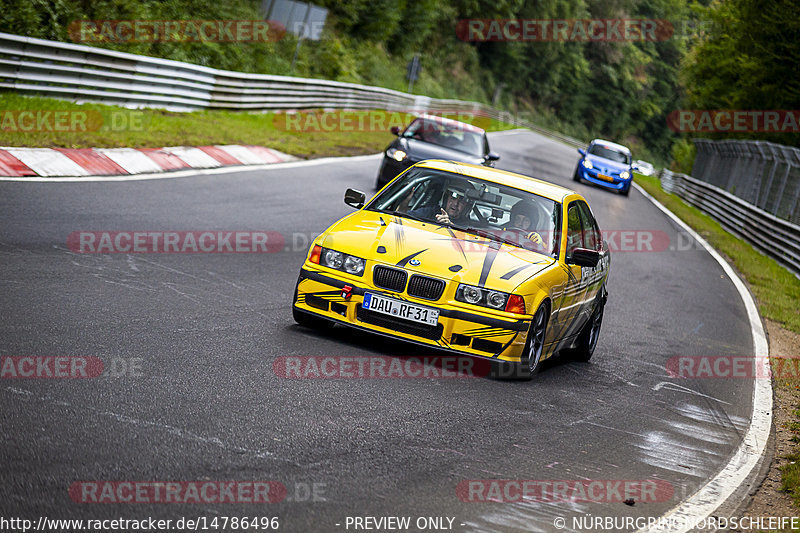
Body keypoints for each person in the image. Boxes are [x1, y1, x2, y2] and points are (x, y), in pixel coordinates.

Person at [409, 180, 477, 226]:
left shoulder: (468, 227)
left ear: (467, 206)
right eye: (453, 197)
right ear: (445, 198)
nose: (456, 204)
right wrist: (405, 201)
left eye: (462, 200)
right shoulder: (431, 212)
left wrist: (450, 225)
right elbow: (403, 218)